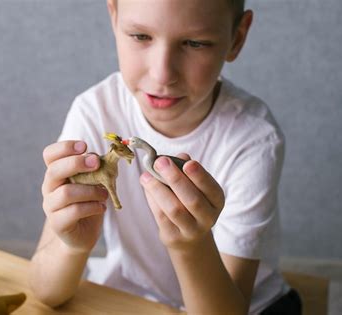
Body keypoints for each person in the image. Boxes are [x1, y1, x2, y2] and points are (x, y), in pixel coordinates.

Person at [29, 0, 302, 314]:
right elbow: (45, 291)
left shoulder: (254, 138)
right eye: (141, 37)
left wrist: (191, 245)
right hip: (137, 295)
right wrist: (73, 246)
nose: (162, 74)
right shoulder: (94, 112)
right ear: (114, 17)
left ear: (237, 37)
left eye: (195, 43)